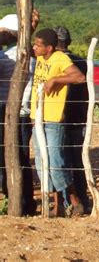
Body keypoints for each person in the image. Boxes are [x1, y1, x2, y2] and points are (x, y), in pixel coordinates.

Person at [30, 28, 85, 217]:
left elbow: (79, 77)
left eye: (38, 45)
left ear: (49, 48)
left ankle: (74, 200)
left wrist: (56, 79)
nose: (34, 47)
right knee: (41, 161)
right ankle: (57, 206)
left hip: (53, 118)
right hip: (37, 117)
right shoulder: (39, 58)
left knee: (56, 162)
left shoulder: (59, 58)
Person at [0, 12, 38, 215]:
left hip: (12, 112)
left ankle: (18, 201)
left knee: (13, 158)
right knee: (19, 158)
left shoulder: (12, 55)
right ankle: (24, 201)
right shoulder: (23, 53)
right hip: (19, 111)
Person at [53, 26, 90, 211]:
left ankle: (65, 202)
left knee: (59, 160)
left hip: (60, 117)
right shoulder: (80, 61)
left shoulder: (56, 60)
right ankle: (81, 200)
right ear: (69, 41)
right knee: (77, 162)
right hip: (78, 116)